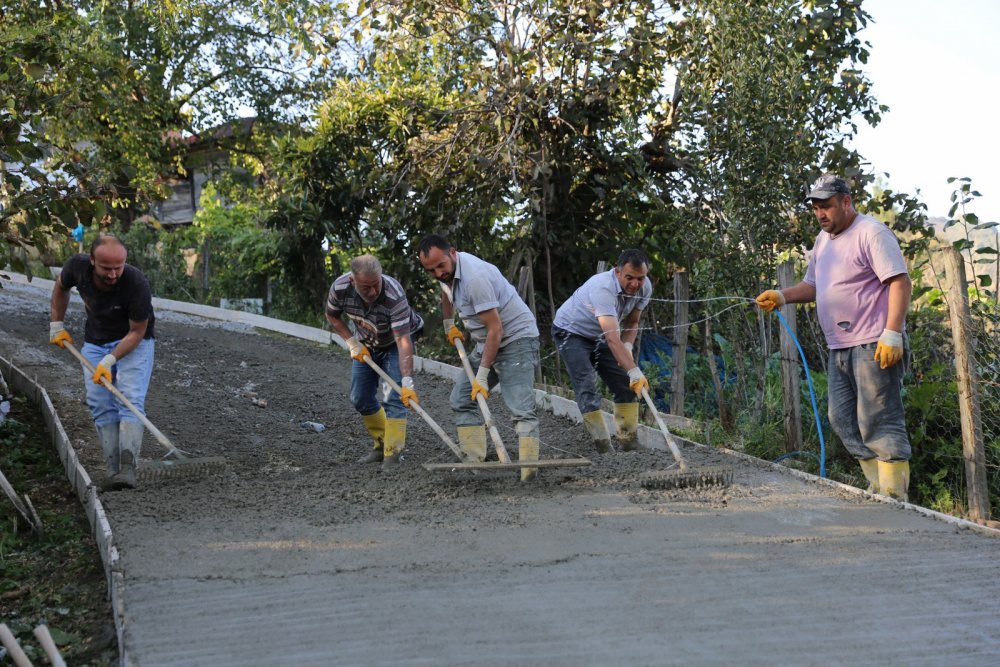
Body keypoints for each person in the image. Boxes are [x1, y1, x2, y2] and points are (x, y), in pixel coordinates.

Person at [756, 173, 913, 500]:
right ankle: (877, 486)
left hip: (874, 342)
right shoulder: (823, 241)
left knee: (879, 421)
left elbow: (899, 282)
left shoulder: (871, 233)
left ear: (846, 201)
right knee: (840, 418)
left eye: (826, 206)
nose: (820, 214)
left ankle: (896, 499)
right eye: (815, 208)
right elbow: (814, 285)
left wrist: (893, 333)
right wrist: (782, 296)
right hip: (838, 346)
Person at [417, 234, 541, 481]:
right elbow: (445, 291)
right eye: (430, 270)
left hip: (515, 338)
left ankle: (529, 473)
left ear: (453, 252)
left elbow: (497, 329)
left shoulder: (474, 278)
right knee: (462, 398)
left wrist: (482, 376)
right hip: (487, 341)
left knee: (520, 408)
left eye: (441, 266)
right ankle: (475, 463)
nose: (438, 273)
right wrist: (449, 324)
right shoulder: (447, 275)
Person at [49, 235, 156, 491]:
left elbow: (137, 332)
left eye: (118, 267)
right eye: (106, 268)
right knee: (99, 402)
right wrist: (56, 324)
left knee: (129, 398)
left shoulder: (136, 283)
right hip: (96, 341)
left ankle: (128, 470)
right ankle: (113, 469)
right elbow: (61, 286)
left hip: (133, 342)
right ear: (92, 260)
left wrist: (110, 360)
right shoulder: (77, 266)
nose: (112, 274)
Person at [325, 254, 423, 471]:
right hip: (365, 342)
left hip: (395, 342)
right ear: (353, 281)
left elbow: (403, 340)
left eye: (376, 284)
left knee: (394, 397)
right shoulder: (340, 288)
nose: (373, 291)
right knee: (360, 397)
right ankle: (381, 445)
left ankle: (393, 454)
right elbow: (332, 316)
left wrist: (407, 382)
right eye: (365, 287)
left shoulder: (393, 294)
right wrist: (351, 342)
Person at [551, 249, 652, 454]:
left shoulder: (645, 287)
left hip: (601, 334)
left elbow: (633, 322)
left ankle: (628, 442)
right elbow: (612, 338)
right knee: (587, 386)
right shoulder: (602, 288)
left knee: (625, 385)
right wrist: (634, 371)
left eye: (640, 278)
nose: (635, 284)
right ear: (617, 272)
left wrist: (627, 347)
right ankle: (603, 446)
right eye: (629, 277)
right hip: (571, 332)